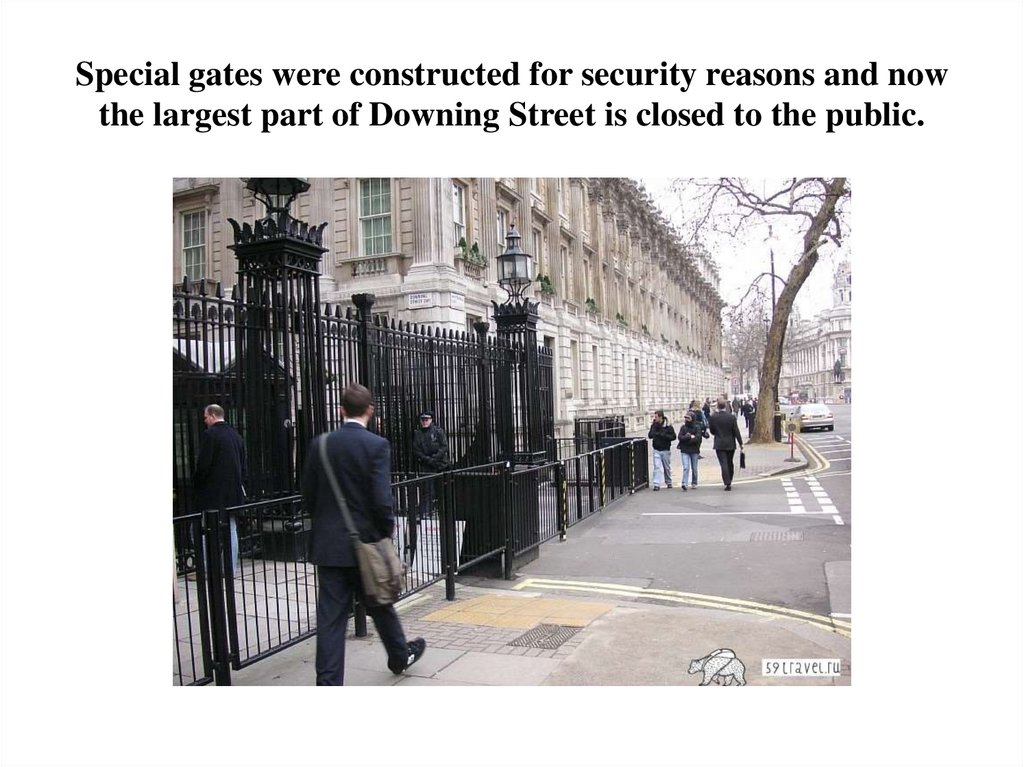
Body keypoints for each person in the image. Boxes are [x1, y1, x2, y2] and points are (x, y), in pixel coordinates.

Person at [301, 384, 426, 685]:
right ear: (370, 410)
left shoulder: (320, 444)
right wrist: (385, 533)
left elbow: (308, 494)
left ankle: (329, 684)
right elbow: (382, 500)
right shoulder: (376, 445)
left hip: (330, 546)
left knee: (331, 620)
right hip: (367, 542)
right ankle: (400, 656)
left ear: (341, 410)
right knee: (380, 603)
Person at [193, 404, 247, 577]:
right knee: (230, 529)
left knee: (204, 530)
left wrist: (197, 483)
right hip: (233, 492)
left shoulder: (210, 435)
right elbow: (243, 466)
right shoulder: (236, 436)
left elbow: (203, 465)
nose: (204, 421)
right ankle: (229, 569)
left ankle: (206, 569)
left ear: (212, 415)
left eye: (205, 417)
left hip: (213, 493)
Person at [412, 411, 450, 518]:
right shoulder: (418, 433)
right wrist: (428, 460)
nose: (424, 422)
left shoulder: (438, 431)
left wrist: (435, 458)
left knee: (443, 490)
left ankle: (443, 512)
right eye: (423, 419)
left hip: (441, 464)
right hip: (427, 466)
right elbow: (416, 450)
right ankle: (426, 513)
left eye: (426, 419)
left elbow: (444, 446)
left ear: (431, 420)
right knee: (428, 491)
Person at [708, 398, 744, 491]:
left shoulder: (713, 417)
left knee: (723, 463)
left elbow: (712, 430)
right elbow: (736, 431)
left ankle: (727, 482)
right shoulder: (731, 417)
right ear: (725, 406)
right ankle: (730, 479)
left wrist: (717, 433)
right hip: (730, 443)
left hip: (719, 443)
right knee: (730, 462)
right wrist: (741, 443)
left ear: (717, 406)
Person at [647, 409, 676, 490]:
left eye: (656, 417)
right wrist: (654, 432)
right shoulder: (654, 425)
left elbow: (673, 436)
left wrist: (664, 435)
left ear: (661, 417)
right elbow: (650, 435)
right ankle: (656, 484)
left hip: (665, 449)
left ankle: (668, 481)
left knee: (666, 467)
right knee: (657, 467)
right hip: (656, 449)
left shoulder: (668, 426)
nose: (655, 418)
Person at [676, 411, 703, 490]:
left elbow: (698, 438)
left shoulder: (697, 427)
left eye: (688, 418)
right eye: (685, 418)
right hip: (685, 450)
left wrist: (687, 439)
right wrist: (689, 437)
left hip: (694, 450)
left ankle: (694, 482)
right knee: (686, 467)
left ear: (692, 419)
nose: (686, 419)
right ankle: (684, 483)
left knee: (694, 468)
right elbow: (680, 437)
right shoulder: (683, 427)